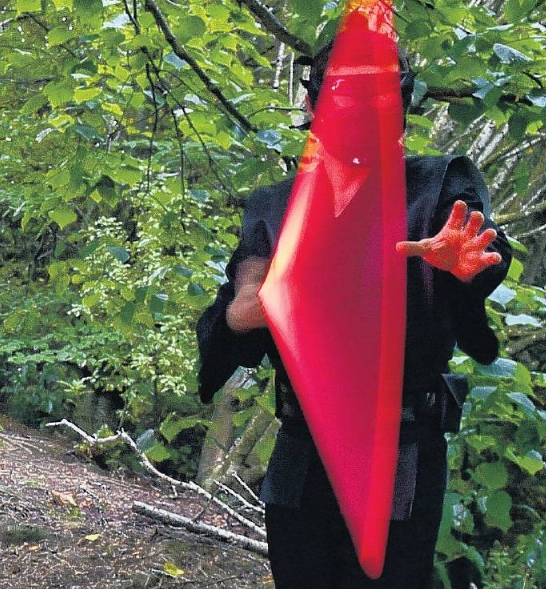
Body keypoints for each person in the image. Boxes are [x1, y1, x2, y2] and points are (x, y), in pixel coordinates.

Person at [196, 43, 512, 588]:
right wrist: (254, 308)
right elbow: (236, 316)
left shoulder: (440, 184)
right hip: (301, 451)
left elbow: (478, 246)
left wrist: (469, 267)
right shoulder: (274, 206)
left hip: (400, 452)